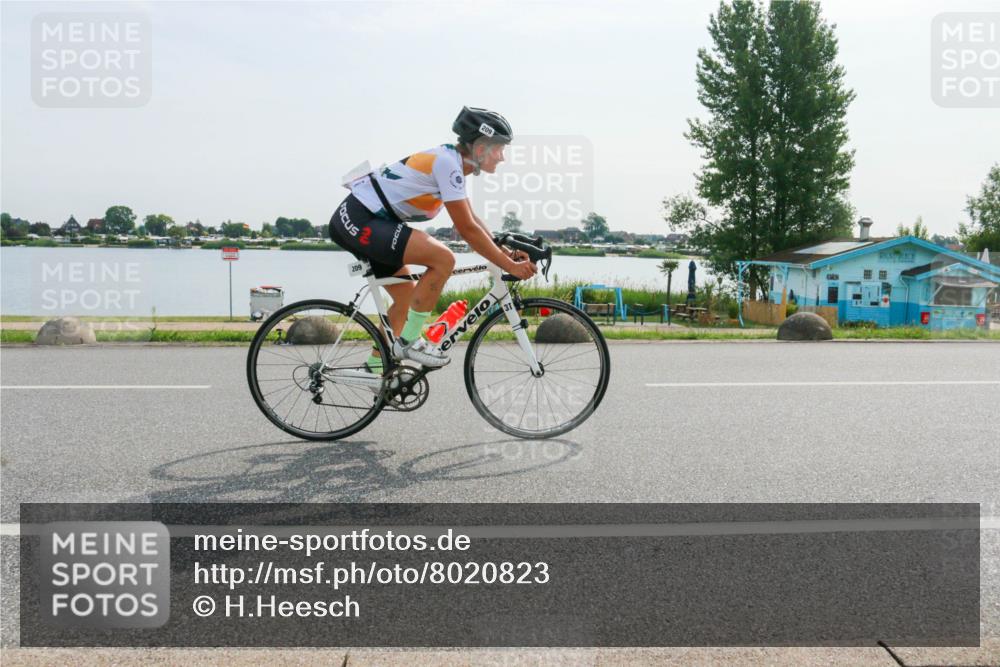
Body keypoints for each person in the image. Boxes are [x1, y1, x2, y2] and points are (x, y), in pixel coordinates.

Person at [329, 106, 537, 371]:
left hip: (369, 220)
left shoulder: (452, 164)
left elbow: (471, 219)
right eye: (499, 148)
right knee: (443, 258)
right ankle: (409, 342)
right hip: (361, 219)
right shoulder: (448, 164)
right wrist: (509, 266)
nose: (502, 157)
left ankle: (375, 368)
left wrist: (504, 253)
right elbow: (467, 230)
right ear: (481, 146)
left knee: (406, 299)